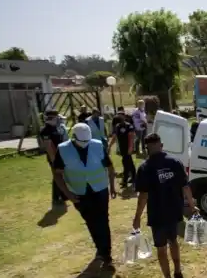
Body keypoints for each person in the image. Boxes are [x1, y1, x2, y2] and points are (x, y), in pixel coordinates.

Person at [133, 133, 196, 278]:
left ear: (147, 148)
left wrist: (137, 217)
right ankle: (178, 271)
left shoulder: (145, 168)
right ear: (161, 145)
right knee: (173, 241)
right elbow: (185, 186)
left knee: (161, 248)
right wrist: (192, 204)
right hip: (174, 210)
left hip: (157, 213)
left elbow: (143, 196)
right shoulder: (174, 162)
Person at [52, 123, 118, 267]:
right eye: (82, 142)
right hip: (78, 193)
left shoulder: (98, 145)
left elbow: (110, 166)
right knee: (91, 221)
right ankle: (100, 248)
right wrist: (68, 194)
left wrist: (112, 186)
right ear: (73, 137)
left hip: (100, 189)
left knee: (102, 221)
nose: (85, 144)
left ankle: (106, 254)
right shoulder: (63, 150)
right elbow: (57, 175)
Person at [39, 109, 68, 208]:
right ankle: (56, 198)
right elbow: (49, 147)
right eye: (56, 117)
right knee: (57, 177)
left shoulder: (55, 128)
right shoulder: (46, 131)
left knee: (61, 176)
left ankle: (63, 196)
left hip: (61, 156)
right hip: (54, 158)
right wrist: (55, 161)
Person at [109, 111, 136, 188]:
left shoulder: (129, 126)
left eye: (121, 116)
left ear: (124, 117)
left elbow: (131, 137)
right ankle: (134, 178)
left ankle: (125, 181)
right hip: (122, 148)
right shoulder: (117, 126)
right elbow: (114, 137)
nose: (120, 117)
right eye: (119, 116)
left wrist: (130, 148)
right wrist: (110, 146)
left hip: (128, 148)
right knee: (129, 163)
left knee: (126, 163)